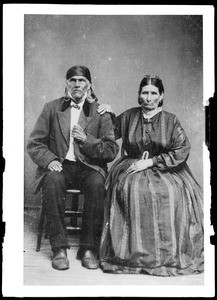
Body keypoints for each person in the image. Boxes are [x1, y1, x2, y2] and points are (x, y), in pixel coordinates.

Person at [97, 75, 204, 276]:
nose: (149, 97)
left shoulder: (171, 120)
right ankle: (132, 254)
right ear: (139, 95)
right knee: (133, 189)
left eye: (153, 93)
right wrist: (109, 114)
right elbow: (109, 135)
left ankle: (166, 254)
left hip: (164, 167)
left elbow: (182, 149)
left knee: (170, 191)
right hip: (131, 164)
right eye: (145, 93)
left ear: (161, 95)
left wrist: (152, 162)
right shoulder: (129, 116)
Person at [27, 65, 119, 271]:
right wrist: (49, 159)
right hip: (61, 166)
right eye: (73, 80)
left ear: (89, 85)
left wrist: (87, 140)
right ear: (66, 84)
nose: (77, 84)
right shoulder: (52, 108)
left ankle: (88, 249)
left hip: (88, 167)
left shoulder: (100, 112)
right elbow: (35, 143)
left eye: (82, 81)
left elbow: (112, 150)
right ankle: (59, 248)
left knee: (97, 184)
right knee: (52, 180)